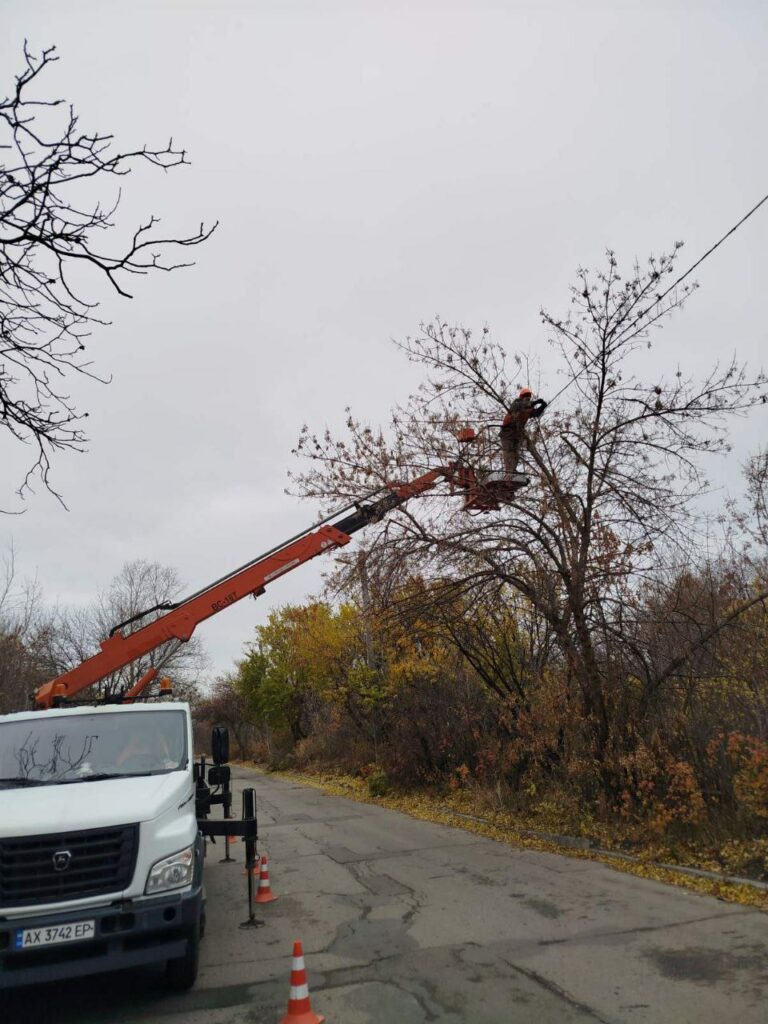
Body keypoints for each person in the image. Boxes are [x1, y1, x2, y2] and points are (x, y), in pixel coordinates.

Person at [499, 387, 547, 477]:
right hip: (506, 433)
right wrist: (535, 402)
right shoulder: (516, 404)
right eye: (526, 397)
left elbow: (536, 413)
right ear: (521, 397)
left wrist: (543, 406)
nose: (528, 399)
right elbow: (520, 406)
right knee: (508, 452)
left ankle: (513, 471)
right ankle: (509, 473)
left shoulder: (527, 409)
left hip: (516, 434)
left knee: (516, 453)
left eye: (529, 397)